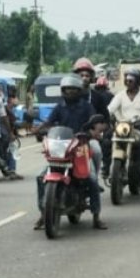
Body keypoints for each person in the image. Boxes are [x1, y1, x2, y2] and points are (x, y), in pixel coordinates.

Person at [34, 76, 102, 229]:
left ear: (79, 91)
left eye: (73, 90)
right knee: (40, 177)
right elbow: (49, 123)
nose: (69, 92)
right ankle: (43, 213)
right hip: (63, 147)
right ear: (62, 91)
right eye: (66, 90)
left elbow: (95, 123)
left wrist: (94, 132)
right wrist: (39, 130)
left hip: (81, 147)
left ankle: (96, 216)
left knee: (91, 179)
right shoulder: (59, 107)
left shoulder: (86, 107)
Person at [107, 68, 140, 180]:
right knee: (106, 138)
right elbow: (111, 108)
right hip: (123, 125)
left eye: (131, 80)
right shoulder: (120, 95)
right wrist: (104, 115)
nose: (128, 82)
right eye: (127, 80)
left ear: (138, 81)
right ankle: (106, 168)